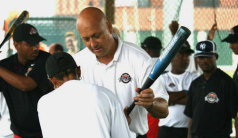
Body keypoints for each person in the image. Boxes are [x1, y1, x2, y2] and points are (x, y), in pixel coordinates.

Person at [73, 7, 169, 137]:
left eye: (97, 35)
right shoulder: (77, 62)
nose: (93, 44)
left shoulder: (139, 58)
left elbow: (163, 110)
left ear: (109, 27)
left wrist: (151, 104)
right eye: (86, 39)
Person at [37, 52, 132, 138]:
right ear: (79, 70)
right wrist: (122, 123)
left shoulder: (44, 104)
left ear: (52, 80)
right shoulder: (105, 94)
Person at [0, 23, 53, 138]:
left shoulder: (45, 59)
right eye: (29, 44)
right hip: (19, 134)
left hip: (45, 132)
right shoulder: (6, 66)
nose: (35, 47)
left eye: (36, 43)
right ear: (16, 45)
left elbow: (26, 85)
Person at [184, 40, 238, 138]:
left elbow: (236, 115)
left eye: (208, 57)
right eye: (201, 57)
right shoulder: (195, 84)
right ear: (196, 59)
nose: (204, 60)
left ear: (216, 57)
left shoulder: (227, 82)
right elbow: (192, 116)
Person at [157, 42, 198, 138]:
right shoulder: (163, 78)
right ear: (171, 58)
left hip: (187, 129)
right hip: (165, 129)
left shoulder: (194, 77)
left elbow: (195, 101)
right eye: (182, 55)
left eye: (187, 55)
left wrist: (170, 98)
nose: (186, 58)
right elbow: (160, 100)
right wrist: (186, 92)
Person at [141, 36, 162, 138]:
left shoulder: (145, 64)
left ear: (147, 50)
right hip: (161, 109)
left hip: (150, 111)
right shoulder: (164, 63)